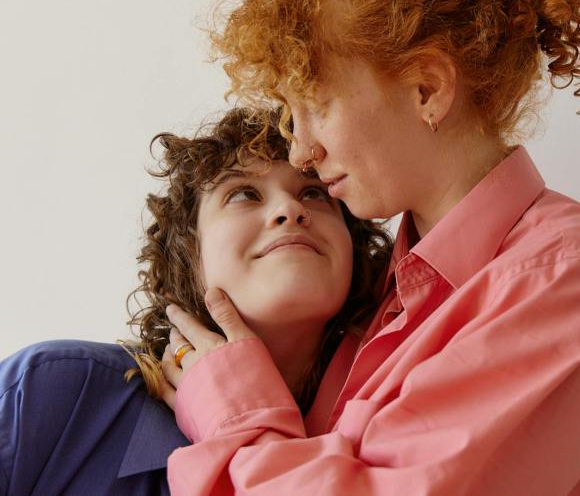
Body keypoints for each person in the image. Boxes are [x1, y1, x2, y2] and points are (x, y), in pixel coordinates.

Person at [162, 0, 580, 495]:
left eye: (316, 103)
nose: (301, 152)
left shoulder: (572, 280)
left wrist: (236, 411)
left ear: (427, 88)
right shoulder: (386, 297)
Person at [0, 108, 392, 495]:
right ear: (188, 251)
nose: (291, 210)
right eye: (243, 194)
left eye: (313, 193)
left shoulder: (399, 424)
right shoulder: (53, 393)